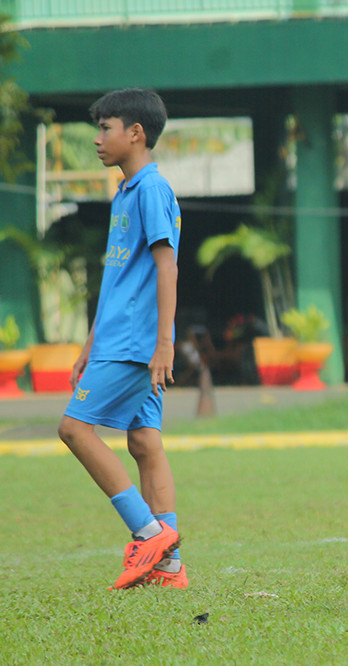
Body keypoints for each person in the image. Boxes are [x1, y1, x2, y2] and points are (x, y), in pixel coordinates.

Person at [57, 88, 186, 590]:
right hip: (117, 338)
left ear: (136, 133)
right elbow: (116, 279)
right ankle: (170, 567)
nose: (97, 139)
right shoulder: (126, 191)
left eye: (105, 128)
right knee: (144, 441)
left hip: (135, 342)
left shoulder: (152, 189)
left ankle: (149, 533)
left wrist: (164, 344)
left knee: (74, 429)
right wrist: (90, 344)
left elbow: (167, 267)